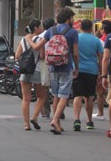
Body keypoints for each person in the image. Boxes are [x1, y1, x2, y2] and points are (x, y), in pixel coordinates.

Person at [30, 7, 79, 135]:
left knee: (56, 95)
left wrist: (29, 38)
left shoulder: (51, 30)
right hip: (66, 66)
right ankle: (55, 119)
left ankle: (57, 123)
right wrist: (77, 67)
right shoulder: (73, 32)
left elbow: (37, 46)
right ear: (68, 19)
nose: (72, 20)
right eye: (72, 18)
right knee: (64, 96)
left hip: (52, 67)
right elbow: (75, 54)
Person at [14, 19, 46, 131]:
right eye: (40, 26)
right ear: (36, 28)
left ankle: (26, 124)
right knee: (41, 96)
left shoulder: (23, 39)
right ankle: (34, 117)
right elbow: (42, 56)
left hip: (25, 71)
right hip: (36, 70)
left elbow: (17, 55)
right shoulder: (40, 40)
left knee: (26, 99)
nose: (42, 28)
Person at [72, 19, 103, 131]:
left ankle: (76, 120)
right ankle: (89, 121)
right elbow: (100, 57)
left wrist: (74, 67)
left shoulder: (77, 39)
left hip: (78, 70)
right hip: (92, 70)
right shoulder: (96, 40)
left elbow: (73, 54)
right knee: (89, 96)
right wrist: (101, 72)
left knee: (77, 95)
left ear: (80, 27)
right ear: (91, 28)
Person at [93, 19, 111, 121]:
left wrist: (101, 73)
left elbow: (102, 58)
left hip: (104, 67)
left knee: (100, 92)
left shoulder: (101, 41)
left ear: (102, 29)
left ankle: (101, 113)